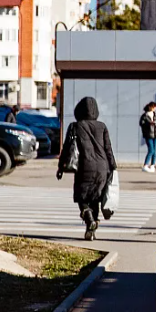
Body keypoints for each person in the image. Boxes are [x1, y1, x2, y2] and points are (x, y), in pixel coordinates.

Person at [56, 97, 116, 241]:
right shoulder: (102, 126)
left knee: (81, 196)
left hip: (84, 166)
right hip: (103, 167)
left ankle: (88, 217)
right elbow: (108, 149)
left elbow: (67, 148)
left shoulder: (75, 126)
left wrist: (61, 167)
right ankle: (91, 230)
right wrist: (113, 167)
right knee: (95, 198)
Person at [139, 102, 156, 173]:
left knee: (155, 151)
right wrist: (149, 123)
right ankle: (145, 165)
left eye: (155, 107)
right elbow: (141, 123)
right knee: (151, 150)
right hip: (149, 135)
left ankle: (152, 165)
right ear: (150, 107)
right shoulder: (144, 116)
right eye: (153, 107)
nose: (154, 108)